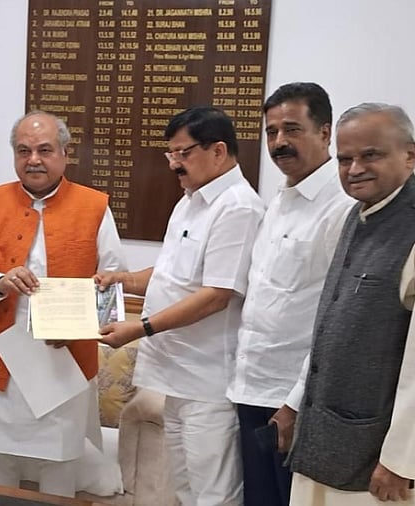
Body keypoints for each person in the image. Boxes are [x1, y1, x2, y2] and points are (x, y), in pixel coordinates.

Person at [288, 103, 415, 505]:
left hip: (385, 462)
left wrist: (401, 461)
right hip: (329, 440)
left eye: (370, 155)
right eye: (344, 159)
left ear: (410, 155)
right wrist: (294, 403)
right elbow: (331, 324)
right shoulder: (356, 217)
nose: (354, 169)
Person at [97, 106, 264, 505]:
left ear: (218, 151)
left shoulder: (238, 207)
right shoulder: (191, 202)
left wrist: (141, 328)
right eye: (170, 154)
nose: (174, 164)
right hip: (175, 376)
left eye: (183, 153)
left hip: (209, 383)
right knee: (187, 490)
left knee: (214, 495)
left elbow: (216, 294)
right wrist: (125, 280)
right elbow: (173, 272)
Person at [0, 110, 127, 498]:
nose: (33, 159)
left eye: (45, 150)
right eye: (23, 150)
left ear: (65, 153)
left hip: (61, 364)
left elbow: (112, 278)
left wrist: (82, 324)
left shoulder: (94, 206)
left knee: (58, 474)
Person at [225, 82, 353, 506]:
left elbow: (337, 318)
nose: (280, 142)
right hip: (251, 389)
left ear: (325, 133)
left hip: (294, 400)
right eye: (272, 131)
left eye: (292, 129)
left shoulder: (342, 208)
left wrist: (296, 403)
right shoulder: (279, 201)